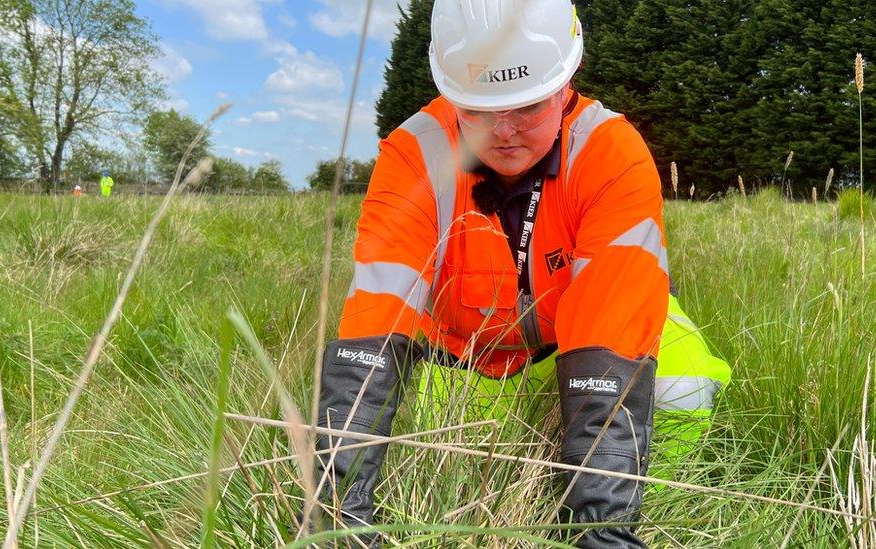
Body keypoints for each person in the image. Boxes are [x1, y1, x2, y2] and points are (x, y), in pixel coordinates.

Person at [313, 0, 731, 546]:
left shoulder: (612, 154)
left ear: (567, 81)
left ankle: (637, 499)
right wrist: (339, 518)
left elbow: (613, 324)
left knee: (682, 385)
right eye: (479, 110)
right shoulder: (415, 152)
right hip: (463, 367)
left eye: (528, 106)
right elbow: (376, 322)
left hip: (579, 350)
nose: (504, 131)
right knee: (406, 433)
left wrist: (601, 530)